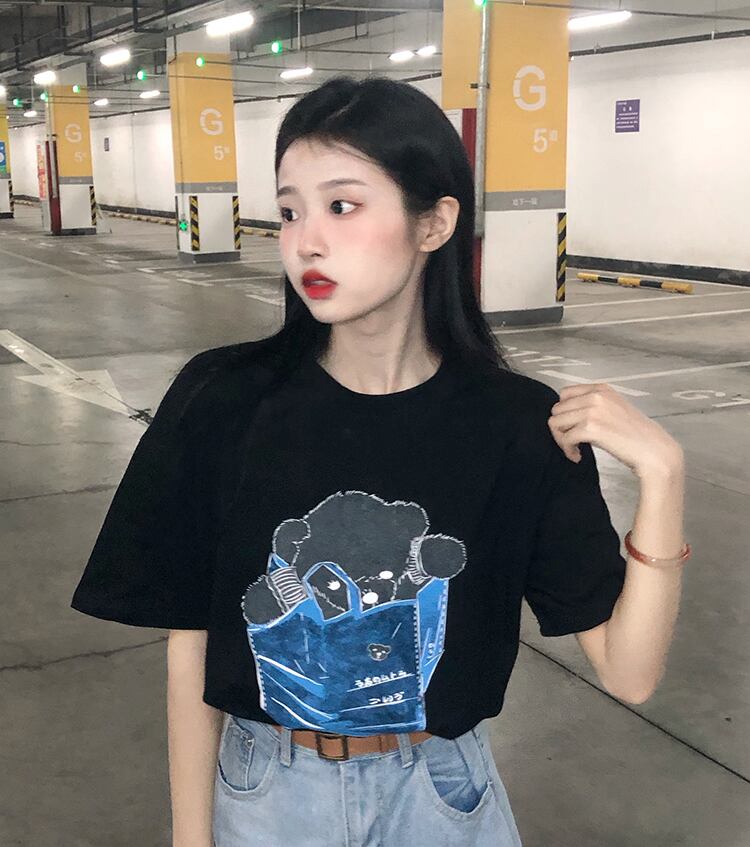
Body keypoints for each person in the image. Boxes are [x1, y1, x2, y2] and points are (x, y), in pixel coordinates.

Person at [70, 75, 688, 847]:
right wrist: (191, 839)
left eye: (342, 205)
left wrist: (663, 475)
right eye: (289, 210)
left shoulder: (514, 425)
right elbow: (190, 642)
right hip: (268, 795)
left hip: (441, 796)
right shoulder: (223, 400)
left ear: (434, 223)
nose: (305, 240)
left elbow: (630, 673)